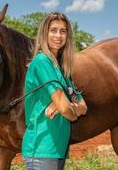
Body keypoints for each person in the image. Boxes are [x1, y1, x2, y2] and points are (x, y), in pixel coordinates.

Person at [21, 12, 88, 170]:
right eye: (53, 30)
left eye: (63, 31)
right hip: (41, 147)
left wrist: (67, 107)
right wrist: (67, 108)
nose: (58, 35)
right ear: (45, 33)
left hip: (57, 148)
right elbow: (67, 110)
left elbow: (83, 107)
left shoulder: (62, 69)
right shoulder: (42, 61)